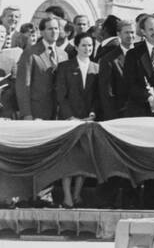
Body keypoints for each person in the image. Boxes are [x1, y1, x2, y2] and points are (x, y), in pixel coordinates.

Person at [54, 31, 98, 207]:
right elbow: (60, 95)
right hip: (69, 121)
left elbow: (98, 96)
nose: (87, 48)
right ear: (77, 46)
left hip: (88, 120)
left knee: (84, 159)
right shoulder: (65, 67)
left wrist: (93, 114)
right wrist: (69, 116)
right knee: (69, 159)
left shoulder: (97, 68)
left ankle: (77, 194)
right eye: (84, 45)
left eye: (90, 45)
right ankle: (67, 196)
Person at [16, 15, 68, 119]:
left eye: (56, 28)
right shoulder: (30, 53)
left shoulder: (63, 55)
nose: (54, 32)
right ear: (42, 32)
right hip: (37, 112)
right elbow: (23, 86)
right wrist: (26, 114)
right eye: (50, 29)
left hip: (59, 113)